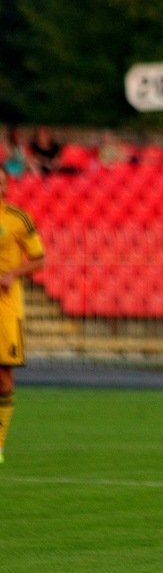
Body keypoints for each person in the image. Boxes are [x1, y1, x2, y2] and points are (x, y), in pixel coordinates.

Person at [0, 166, 46, 464]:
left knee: (4, 378)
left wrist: (12, 274)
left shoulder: (18, 219)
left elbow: (39, 259)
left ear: (6, 186)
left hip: (5, 307)